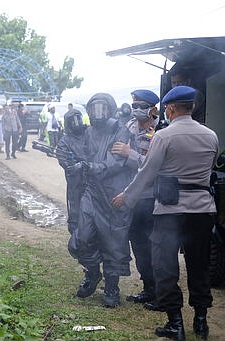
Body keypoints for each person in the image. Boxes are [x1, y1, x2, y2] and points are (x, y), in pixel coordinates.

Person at [113, 86, 218, 340]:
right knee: (199, 265)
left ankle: (175, 323)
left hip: (170, 211)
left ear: (170, 109)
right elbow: (209, 169)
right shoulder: (211, 135)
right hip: (202, 211)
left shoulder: (164, 136)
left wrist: (126, 197)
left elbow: (147, 173)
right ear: (191, 107)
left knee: (165, 267)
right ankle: (201, 322)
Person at [67, 93, 135, 308]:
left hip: (114, 195)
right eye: (94, 109)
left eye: (102, 108)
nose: (98, 113)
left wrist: (90, 166)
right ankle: (93, 273)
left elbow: (115, 162)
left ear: (111, 109)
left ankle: (112, 287)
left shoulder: (120, 130)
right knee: (82, 237)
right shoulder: (87, 132)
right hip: (92, 192)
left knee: (113, 243)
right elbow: (81, 155)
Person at [111, 90, 159, 309]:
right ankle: (148, 288)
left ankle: (158, 291)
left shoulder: (159, 132)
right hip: (128, 195)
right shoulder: (128, 126)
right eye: (134, 104)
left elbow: (153, 167)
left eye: (141, 105)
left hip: (149, 196)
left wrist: (130, 153)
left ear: (152, 109)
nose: (136, 108)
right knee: (137, 243)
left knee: (151, 245)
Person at [55, 108, 86, 234]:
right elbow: (67, 165)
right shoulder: (64, 142)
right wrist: (80, 165)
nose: (77, 122)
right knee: (76, 214)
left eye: (78, 118)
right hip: (76, 184)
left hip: (95, 181)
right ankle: (78, 240)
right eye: (73, 120)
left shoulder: (89, 134)